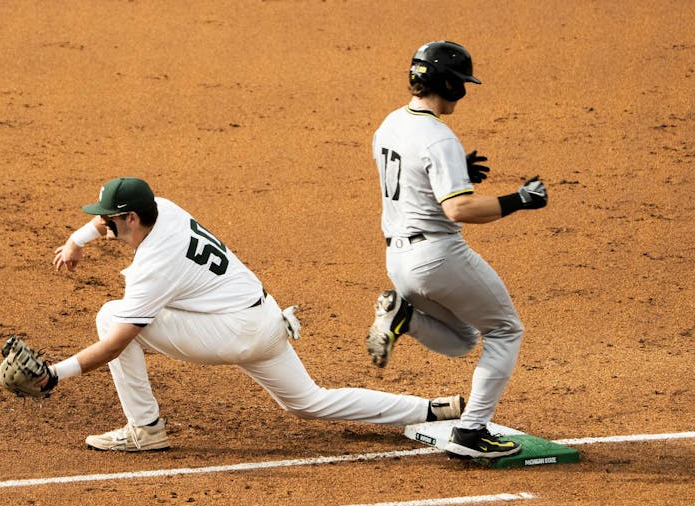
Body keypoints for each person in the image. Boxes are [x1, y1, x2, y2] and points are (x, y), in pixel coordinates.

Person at [43, 176, 464, 451]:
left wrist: (54, 375)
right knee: (308, 401)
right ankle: (430, 409)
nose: (106, 226)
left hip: (234, 333)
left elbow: (117, 343)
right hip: (265, 319)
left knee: (112, 317)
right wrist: (77, 240)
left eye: (111, 220)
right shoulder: (163, 208)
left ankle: (145, 429)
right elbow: (103, 225)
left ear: (131, 218)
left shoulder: (152, 266)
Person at [367, 41, 548, 460]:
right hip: (439, 257)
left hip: (399, 261)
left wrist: (454, 171)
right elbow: (460, 208)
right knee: (506, 331)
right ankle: (472, 432)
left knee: (464, 338)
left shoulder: (391, 124)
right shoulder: (438, 138)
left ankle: (404, 317)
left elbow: (412, 176)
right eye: (460, 83)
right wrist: (518, 200)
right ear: (447, 83)